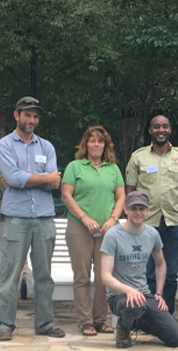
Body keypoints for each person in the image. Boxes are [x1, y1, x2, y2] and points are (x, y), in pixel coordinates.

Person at [0, 97, 66, 341]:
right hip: (16, 217)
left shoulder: (46, 146)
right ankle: (3, 324)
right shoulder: (4, 144)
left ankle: (45, 324)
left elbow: (55, 181)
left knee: (44, 275)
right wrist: (41, 178)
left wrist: (28, 178)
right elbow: (13, 178)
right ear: (17, 115)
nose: (32, 120)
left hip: (44, 217)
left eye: (35, 116)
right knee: (10, 273)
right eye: (27, 115)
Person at [125, 114, 178, 315]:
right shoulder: (138, 157)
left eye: (165, 126)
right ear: (150, 130)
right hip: (145, 224)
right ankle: (147, 314)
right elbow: (130, 190)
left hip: (175, 223)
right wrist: (132, 221)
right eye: (156, 127)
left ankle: (166, 315)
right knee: (146, 273)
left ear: (170, 129)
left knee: (171, 273)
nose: (161, 130)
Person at [100, 191, 178, 348]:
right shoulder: (113, 235)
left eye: (142, 208)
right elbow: (105, 277)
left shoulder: (151, 234)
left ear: (147, 210)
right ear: (126, 210)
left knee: (177, 339)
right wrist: (128, 291)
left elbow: (161, 263)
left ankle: (135, 322)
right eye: (134, 208)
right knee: (134, 305)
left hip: (144, 295)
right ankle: (124, 327)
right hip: (119, 296)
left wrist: (159, 294)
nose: (138, 212)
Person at [61, 126, 125, 336]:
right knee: (82, 277)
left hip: (107, 231)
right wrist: (84, 217)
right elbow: (66, 195)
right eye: (92, 141)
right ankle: (85, 321)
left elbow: (121, 197)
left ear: (105, 145)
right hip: (79, 228)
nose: (96, 144)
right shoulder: (75, 167)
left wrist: (113, 219)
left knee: (103, 278)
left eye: (100, 141)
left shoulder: (113, 169)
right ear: (85, 144)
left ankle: (100, 320)